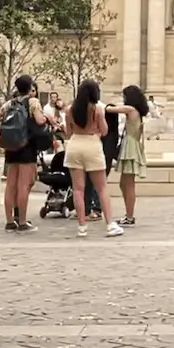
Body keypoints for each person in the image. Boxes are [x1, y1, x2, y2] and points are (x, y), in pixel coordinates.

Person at [0, 75, 48, 233]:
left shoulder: (11, 103)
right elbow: (40, 121)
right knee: (23, 185)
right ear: (30, 88)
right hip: (26, 146)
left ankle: (9, 221)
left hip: (11, 147)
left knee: (10, 185)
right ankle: (22, 222)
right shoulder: (32, 101)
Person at [64, 80, 123, 237]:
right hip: (92, 144)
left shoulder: (70, 109)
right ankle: (110, 224)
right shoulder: (97, 109)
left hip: (75, 144)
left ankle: (82, 226)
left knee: (78, 189)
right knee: (102, 187)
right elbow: (104, 131)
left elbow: (68, 133)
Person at [106, 85, 149, 226]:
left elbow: (111, 109)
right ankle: (128, 214)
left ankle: (129, 216)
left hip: (130, 146)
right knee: (124, 184)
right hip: (132, 145)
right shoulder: (138, 112)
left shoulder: (131, 110)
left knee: (128, 184)